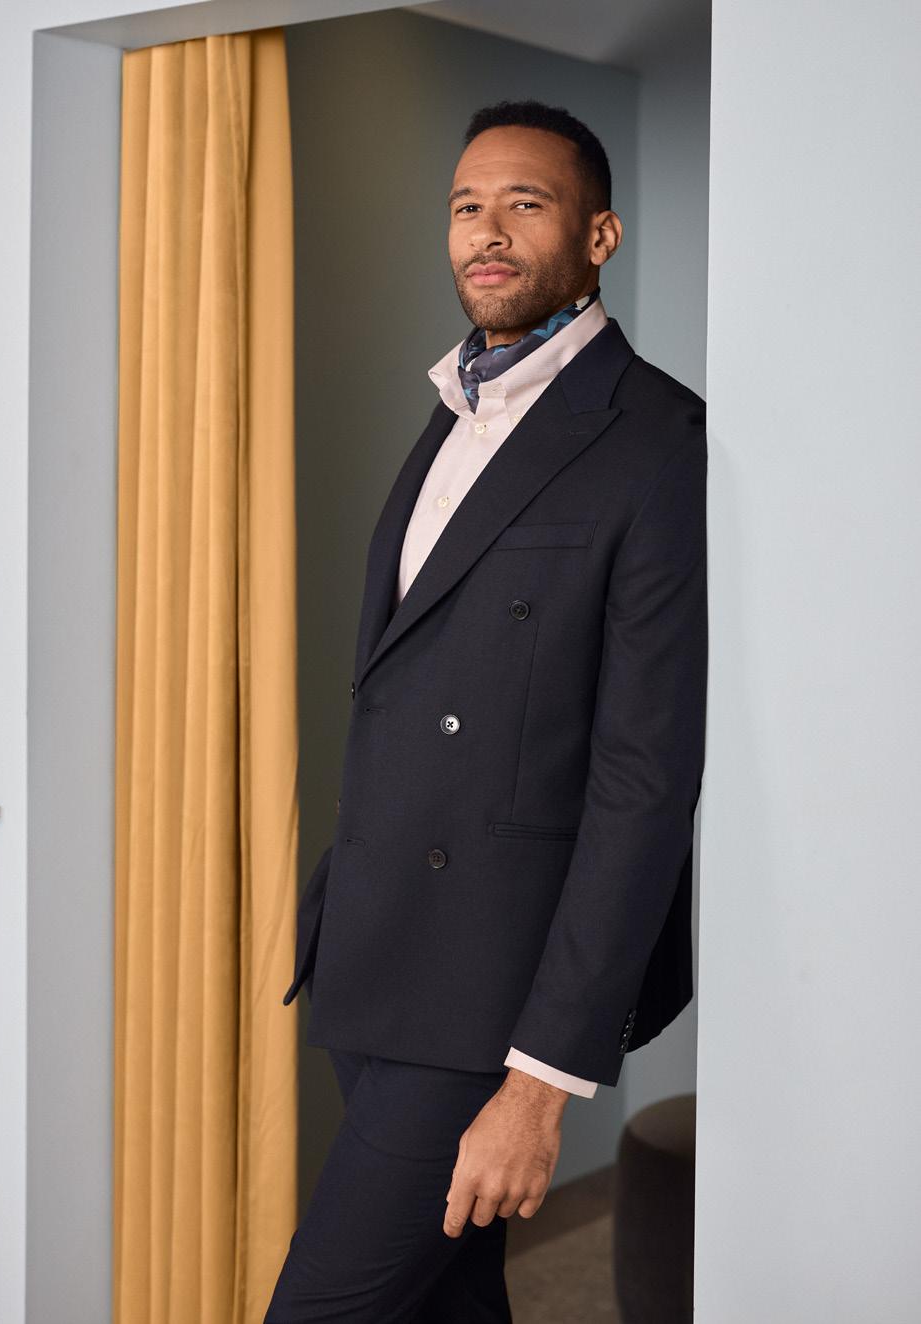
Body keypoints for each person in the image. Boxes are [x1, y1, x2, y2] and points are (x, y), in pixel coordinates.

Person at [265, 98, 708, 1322]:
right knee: (443, 1303)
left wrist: (542, 1078)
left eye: (526, 203)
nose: (487, 231)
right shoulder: (454, 408)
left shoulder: (657, 439)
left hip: (488, 992)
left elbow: (642, 779)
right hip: (373, 954)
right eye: (467, 205)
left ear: (599, 234)